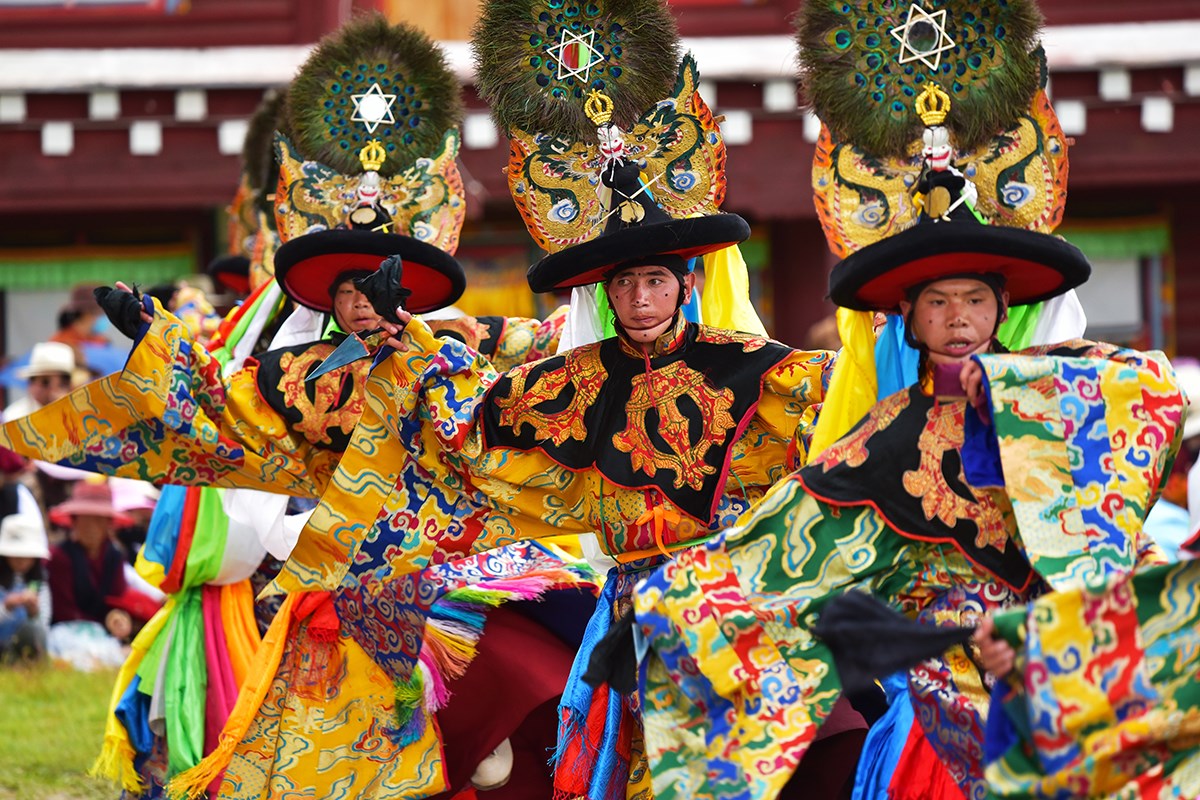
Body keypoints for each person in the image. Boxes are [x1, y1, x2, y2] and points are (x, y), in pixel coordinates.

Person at [624, 74, 1182, 800]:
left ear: (1001, 308)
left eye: (975, 301)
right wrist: (667, 604)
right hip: (949, 694)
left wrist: (1010, 393)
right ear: (908, 320)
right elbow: (789, 537)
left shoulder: (1060, 391)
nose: (957, 320)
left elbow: (1153, 391)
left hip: (1076, 667)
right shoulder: (890, 435)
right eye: (938, 304)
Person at [0, 513, 51, 663]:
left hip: (23, 647)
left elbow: (43, 628)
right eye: (15, 554)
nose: (21, 559)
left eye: (26, 554)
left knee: (31, 631)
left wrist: (33, 612)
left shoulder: (40, 583)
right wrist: (7, 607)